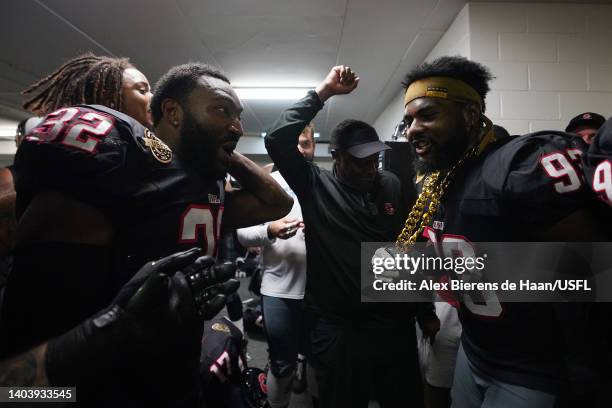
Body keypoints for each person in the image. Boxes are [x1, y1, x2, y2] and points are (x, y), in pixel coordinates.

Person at [0, 58, 292, 405]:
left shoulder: (195, 180)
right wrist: (110, 332)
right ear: (173, 112)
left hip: (172, 378)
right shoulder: (111, 162)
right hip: (97, 386)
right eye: (221, 111)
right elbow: (15, 391)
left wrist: (219, 147)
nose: (236, 127)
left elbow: (276, 202)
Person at [398, 55, 604, 408]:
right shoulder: (440, 180)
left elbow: (594, 270)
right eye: (409, 120)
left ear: (469, 114)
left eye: (428, 115)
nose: (414, 128)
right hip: (476, 350)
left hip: (532, 368)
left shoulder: (518, 164)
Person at [265, 65, 439, 408]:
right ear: (336, 157)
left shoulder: (389, 183)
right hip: (341, 328)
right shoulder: (315, 185)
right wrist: (323, 93)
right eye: (359, 161)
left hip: (393, 324)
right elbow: (276, 138)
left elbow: (407, 247)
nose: (369, 168)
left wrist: (424, 310)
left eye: (374, 159)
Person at [237, 124, 315, 408]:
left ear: (313, 146)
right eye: (294, 143)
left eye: (305, 143)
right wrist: (269, 229)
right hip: (279, 290)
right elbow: (242, 235)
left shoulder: (325, 183)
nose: (299, 149)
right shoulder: (265, 185)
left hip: (319, 292)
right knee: (282, 364)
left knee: (319, 358)